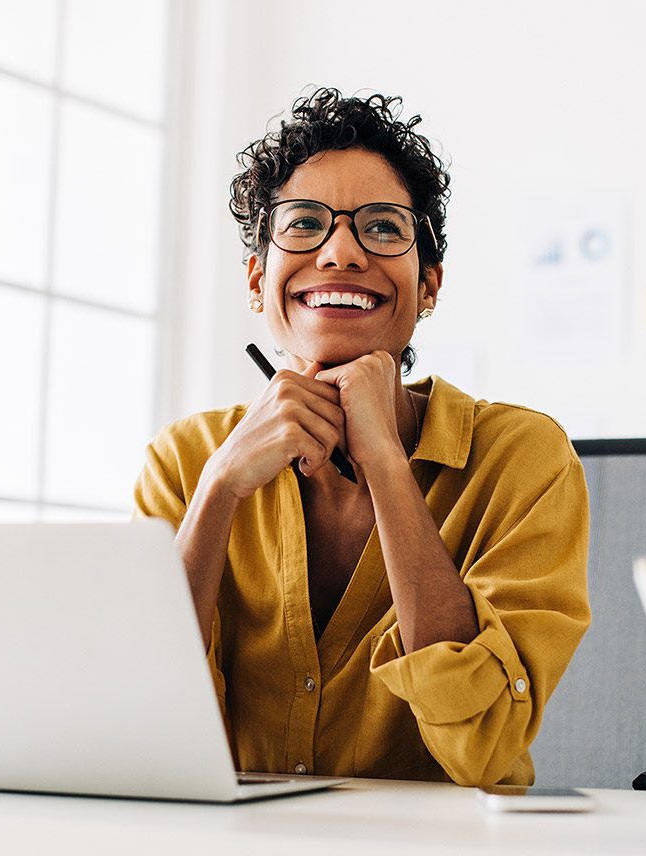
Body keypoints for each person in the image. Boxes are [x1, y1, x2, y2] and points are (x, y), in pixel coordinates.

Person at [134, 88, 590, 787]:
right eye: (305, 223)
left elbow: (484, 743)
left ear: (429, 285)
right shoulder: (185, 462)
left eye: (381, 227)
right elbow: (140, 724)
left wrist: (385, 462)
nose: (341, 252)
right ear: (258, 280)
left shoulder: (524, 458)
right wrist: (220, 488)